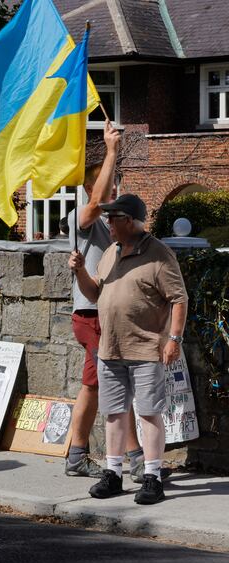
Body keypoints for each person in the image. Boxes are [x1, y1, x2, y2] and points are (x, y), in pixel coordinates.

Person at [69, 193, 187, 505]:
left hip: (146, 348)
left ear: (131, 221)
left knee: (148, 413)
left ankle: (152, 476)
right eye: (107, 217)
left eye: (113, 217)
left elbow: (179, 298)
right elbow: (94, 293)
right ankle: (113, 473)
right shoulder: (110, 252)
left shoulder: (159, 255)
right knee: (114, 414)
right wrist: (80, 270)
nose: (107, 222)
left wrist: (174, 340)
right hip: (110, 348)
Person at [64, 120, 145, 480]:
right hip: (91, 314)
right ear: (90, 187)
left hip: (103, 316)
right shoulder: (81, 218)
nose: (115, 190)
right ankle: (138, 459)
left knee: (94, 386)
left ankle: (76, 455)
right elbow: (96, 202)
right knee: (115, 384)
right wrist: (110, 149)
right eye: (110, 184)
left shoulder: (114, 225)